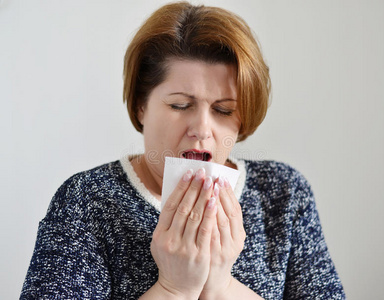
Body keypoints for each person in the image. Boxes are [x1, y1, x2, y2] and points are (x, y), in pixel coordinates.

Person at [20, 2, 345, 299]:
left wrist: (221, 286)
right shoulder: (85, 201)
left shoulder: (283, 194)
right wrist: (174, 288)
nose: (202, 129)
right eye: (180, 105)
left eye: (223, 110)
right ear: (141, 106)